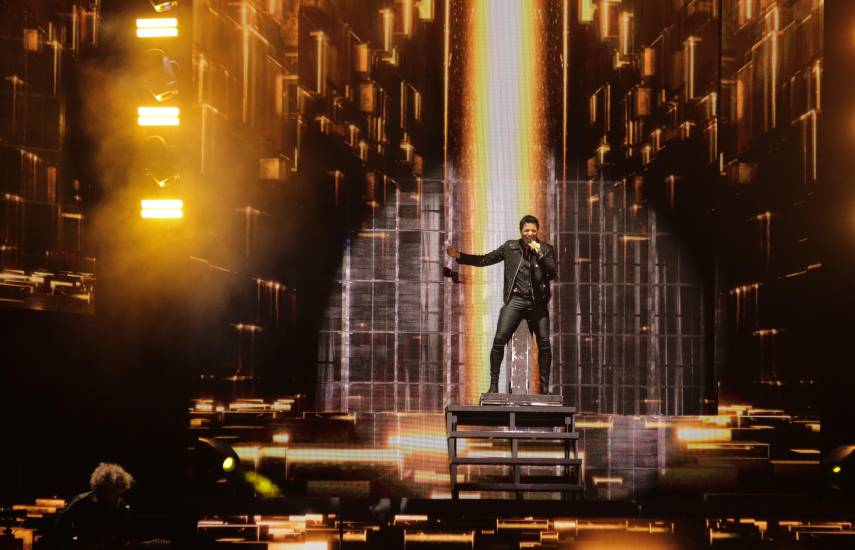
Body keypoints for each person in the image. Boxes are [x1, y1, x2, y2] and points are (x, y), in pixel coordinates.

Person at [447, 214, 557, 394]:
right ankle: (493, 385)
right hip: (516, 300)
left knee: (544, 344)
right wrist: (460, 256)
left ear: (538, 231)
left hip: (537, 303)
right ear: (521, 231)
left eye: (533, 231)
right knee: (499, 340)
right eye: (526, 231)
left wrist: (540, 254)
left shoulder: (546, 249)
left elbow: (552, 273)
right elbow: (485, 259)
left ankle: (544, 389)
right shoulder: (510, 247)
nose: (530, 234)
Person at [53, 463, 134, 549]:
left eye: (117, 493)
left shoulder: (121, 504)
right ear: (101, 488)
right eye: (111, 492)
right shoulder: (81, 502)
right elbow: (59, 529)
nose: (114, 497)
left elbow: (123, 535)